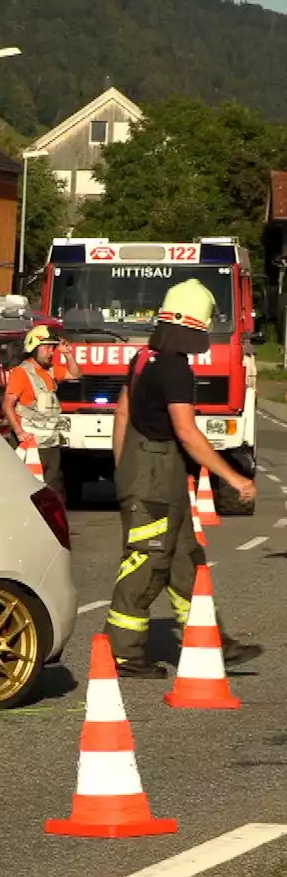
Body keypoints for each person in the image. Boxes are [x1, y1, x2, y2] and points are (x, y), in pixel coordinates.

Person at [104, 278, 262, 677]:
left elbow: (122, 414)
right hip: (156, 478)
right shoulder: (175, 369)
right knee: (146, 563)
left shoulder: (144, 359)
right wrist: (235, 479)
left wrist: (124, 469)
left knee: (185, 561)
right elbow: (188, 432)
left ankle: (211, 640)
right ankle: (123, 655)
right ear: (196, 325)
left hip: (150, 473)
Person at [2, 324, 81, 499]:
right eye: (46, 348)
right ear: (33, 348)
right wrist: (19, 432)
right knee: (29, 491)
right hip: (31, 446)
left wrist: (68, 354)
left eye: (52, 348)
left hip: (50, 445)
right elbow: (7, 405)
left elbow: (75, 374)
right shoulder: (21, 373)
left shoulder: (50, 371)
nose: (51, 352)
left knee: (53, 491)